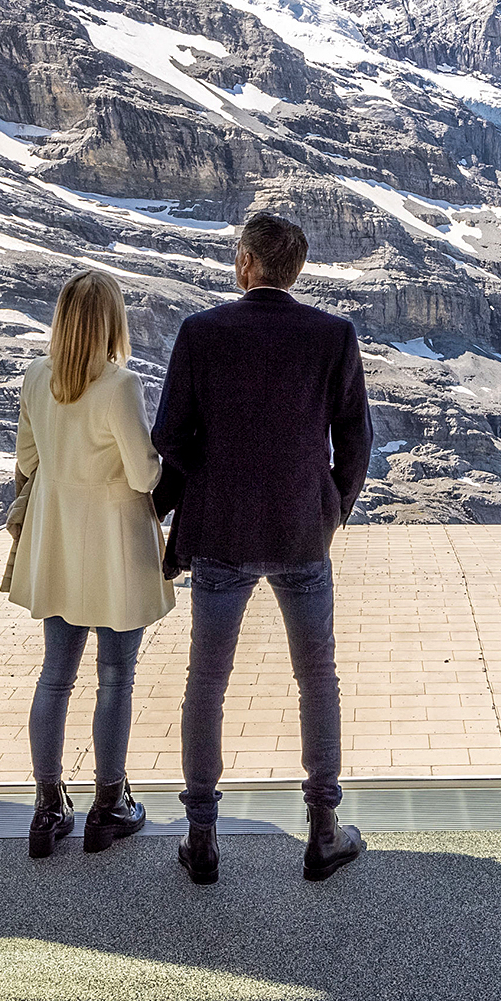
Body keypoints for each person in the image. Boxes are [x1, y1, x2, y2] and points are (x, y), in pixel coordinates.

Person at [151, 210, 373, 885]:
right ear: (294, 268)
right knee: (317, 679)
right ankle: (323, 830)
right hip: (302, 532)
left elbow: (168, 435)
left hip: (220, 532)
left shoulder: (201, 332)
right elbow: (355, 439)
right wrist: (330, 507)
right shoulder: (331, 335)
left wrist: (213, 474)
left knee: (206, 683)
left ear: (245, 261)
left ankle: (202, 835)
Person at [7, 268, 169, 859]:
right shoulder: (119, 386)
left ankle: (48, 809)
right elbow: (144, 473)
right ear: (111, 323)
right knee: (115, 678)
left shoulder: (35, 377)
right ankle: (109, 805)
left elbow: (28, 458)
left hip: (57, 545)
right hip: (114, 548)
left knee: (56, 674)